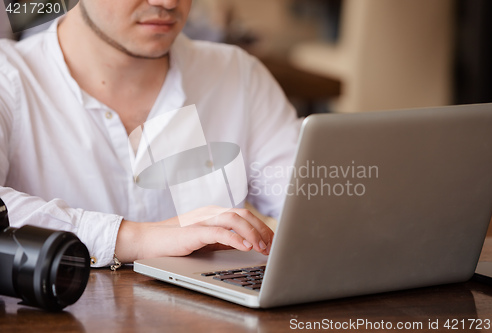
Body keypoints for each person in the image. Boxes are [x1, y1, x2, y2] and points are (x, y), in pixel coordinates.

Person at [0, 0, 301, 267]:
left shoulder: (236, 74)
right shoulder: (8, 78)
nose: (168, 2)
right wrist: (135, 239)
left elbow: (307, 202)